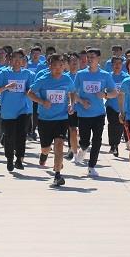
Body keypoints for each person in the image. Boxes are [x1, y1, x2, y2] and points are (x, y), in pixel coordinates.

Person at [28, 54, 75, 188]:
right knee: (46, 148)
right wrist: (42, 101)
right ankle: (44, 155)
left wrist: (71, 104)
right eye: (55, 66)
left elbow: (72, 92)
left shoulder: (67, 79)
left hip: (61, 118)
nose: (58, 69)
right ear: (50, 66)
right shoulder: (43, 79)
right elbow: (30, 93)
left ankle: (57, 175)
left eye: (61, 66)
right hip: (45, 119)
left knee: (59, 144)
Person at [73, 48, 118, 177]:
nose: (89, 59)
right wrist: (81, 101)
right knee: (85, 141)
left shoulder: (105, 75)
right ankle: (83, 148)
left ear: (98, 58)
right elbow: (72, 92)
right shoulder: (80, 74)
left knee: (97, 140)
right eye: (88, 57)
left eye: (92, 57)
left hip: (99, 113)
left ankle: (91, 166)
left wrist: (105, 95)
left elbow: (115, 92)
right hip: (84, 113)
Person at [0, 49, 34, 172]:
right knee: (9, 136)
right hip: (8, 111)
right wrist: (6, 87)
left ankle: (19, 159)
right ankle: (9, 159)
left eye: (20, 58)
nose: (17, 61)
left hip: (23, 109)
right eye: (15, 58)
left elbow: (31, 90)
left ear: (23, 61)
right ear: (10, 60)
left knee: (21, 135)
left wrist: (28, 92)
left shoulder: (28, 74)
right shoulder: (4, 73)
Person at [105, 56, 127, 156]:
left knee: (119, 125)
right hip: (111, 105)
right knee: (112, 124)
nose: (117, 65)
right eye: (115, 63)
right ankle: (112, 145)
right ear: (112, 65)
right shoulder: (108, 76)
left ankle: (116, 144)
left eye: (119, 63)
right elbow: (103, 88)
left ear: (122, 65)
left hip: (122, 106)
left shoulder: (126, 77)